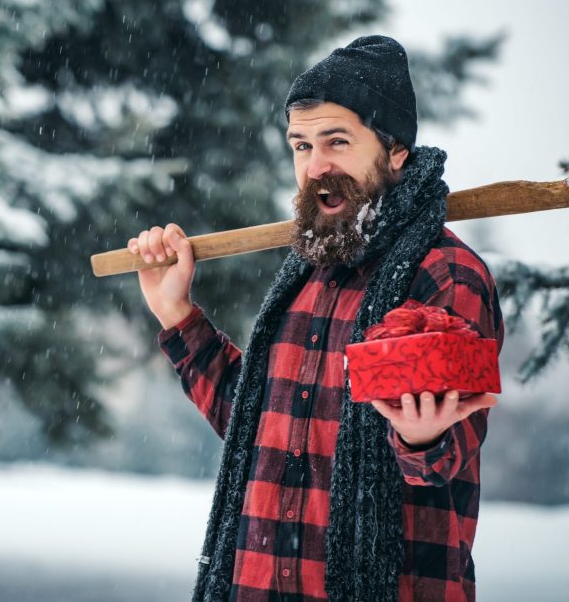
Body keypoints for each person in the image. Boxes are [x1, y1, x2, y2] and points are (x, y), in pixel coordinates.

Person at [127, 35, 504, 602]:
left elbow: (447, 458)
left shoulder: (444, 275)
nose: (316, 166)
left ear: (395, 150)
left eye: (337, 142)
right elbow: (256, 425)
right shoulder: (308, 271)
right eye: (301, 146)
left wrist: (422, 439)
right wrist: (176, 311)